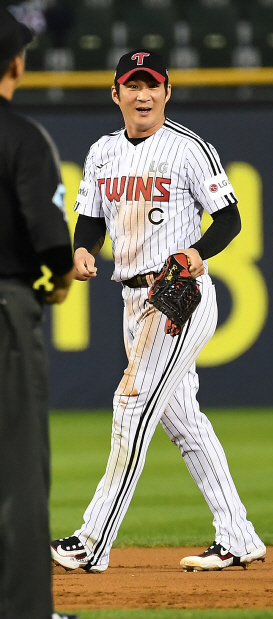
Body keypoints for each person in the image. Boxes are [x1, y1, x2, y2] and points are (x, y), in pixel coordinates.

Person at [50, 49, 266, 574]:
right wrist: (83, 250)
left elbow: (230, 219)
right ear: (116, 93)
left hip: (179, 297)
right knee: (183, 422)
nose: (142, 94)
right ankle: (238, 535)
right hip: (132, 299)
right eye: (133, 85)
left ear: (167, 92)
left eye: (152, 85)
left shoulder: (189, 148)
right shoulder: (102, 152)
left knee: (131, 406)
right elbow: (91, 220)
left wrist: (198, 253)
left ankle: (91, 540)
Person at [0, 8, 77, 619]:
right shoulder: (22, 137)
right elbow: (52, 248)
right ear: (16, 64)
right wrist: (52, 285)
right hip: (4, 314)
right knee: (18, 473)